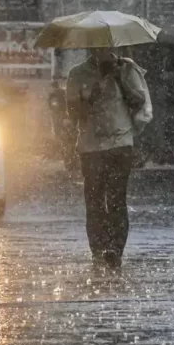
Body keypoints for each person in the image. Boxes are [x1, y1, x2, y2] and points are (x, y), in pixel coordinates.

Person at [66, 48, 152, 269]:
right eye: (95, 48)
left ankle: (115, 250)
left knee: (116, 199)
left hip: (120, 144)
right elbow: (74, 114)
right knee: (94, 201)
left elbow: (138, 102)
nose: (100, 52)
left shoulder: (127, 69)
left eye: (104, 46)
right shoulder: (77, 74)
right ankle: (98, 249)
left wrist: (118, 78)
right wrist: (93, 93)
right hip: (91, 146)